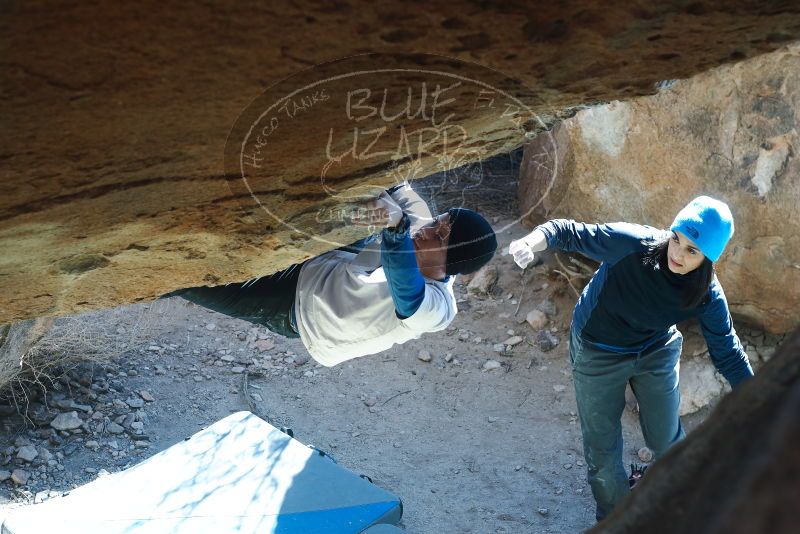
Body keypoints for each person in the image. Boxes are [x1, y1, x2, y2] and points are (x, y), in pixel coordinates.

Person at [507, 196, 754, 521]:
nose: (677, 253)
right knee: (603, 450)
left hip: (656, 347)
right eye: (677, 238)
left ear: (708, 257)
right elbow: (564, 230)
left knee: (666, 440)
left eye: (692, 250)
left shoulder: (708, 295)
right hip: (598, 348)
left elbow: (729, 355)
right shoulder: (633, 244)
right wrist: (529, 241)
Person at [164, 183, 497, 367]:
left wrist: (396, 227)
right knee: (364, 193)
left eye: (440, 237)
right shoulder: (424, 230)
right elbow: (401, 187)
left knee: (188, 281)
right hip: (328, 262)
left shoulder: (438, 309)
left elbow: (406, 291)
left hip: (301, 312)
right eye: (437, 221)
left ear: (449, 263)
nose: (427, 231)